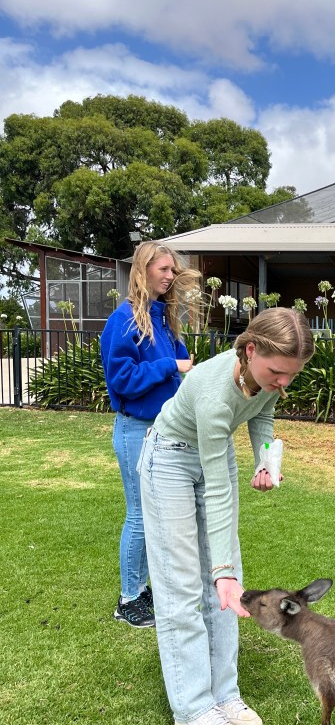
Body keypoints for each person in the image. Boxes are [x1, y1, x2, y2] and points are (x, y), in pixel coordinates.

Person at [139, 307, 316, 725]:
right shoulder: (215, 395)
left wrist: (264, 460)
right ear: (250, 350)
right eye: (277, 372)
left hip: (211, 455)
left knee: (228, 590)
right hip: (171, 460)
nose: (284, 383)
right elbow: (217, 489)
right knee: (184, 584)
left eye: (291, 375)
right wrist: (221, 570)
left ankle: (223, 695)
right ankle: (192, 708)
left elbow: (262, 416)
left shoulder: (268, 379)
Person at [100, 243, 201, 627]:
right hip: (136, 430)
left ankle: (143, 589)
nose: (170, 276)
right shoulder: (124, 320)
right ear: (143, 270)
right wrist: (170, 365)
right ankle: (128, 599)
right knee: (140, 515)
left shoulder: (162, 319)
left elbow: (182, 371)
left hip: (163, 430)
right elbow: (122, 381)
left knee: (157, 514)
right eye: (164, 269)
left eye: (173, 271)